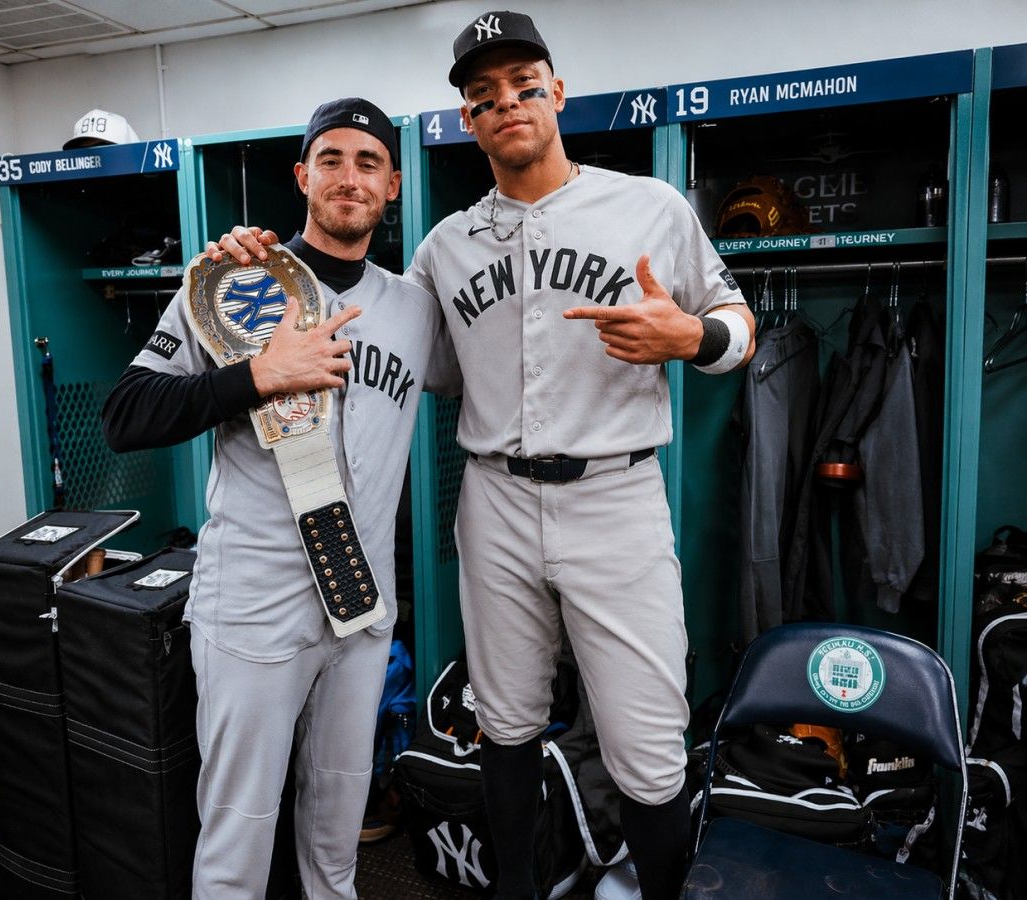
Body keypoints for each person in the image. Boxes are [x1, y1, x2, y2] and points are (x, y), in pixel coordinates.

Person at [210, 12, 755, 898]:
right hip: (494, 496)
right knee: (502, 721)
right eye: (484, 95)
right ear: (468, 120)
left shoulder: (650, 207)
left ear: (557, 94)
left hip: (614, 495)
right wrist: (247, 268)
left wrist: (692, 337)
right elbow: (371, 332)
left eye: (524, 86)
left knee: (648, 744)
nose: (508, 104)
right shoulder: (445, 247)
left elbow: (739, 326)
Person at [103, 96, 457, 900]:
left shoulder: (414, 308)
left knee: (337, 830)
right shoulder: (235, 280)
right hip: (256, 604)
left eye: (368, 162)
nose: (349, 177)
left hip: (360, 608)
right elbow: (125, 415)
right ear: (302, 177)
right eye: (331, 159)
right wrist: (254, 376)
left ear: (393, 184)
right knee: (239, 831)